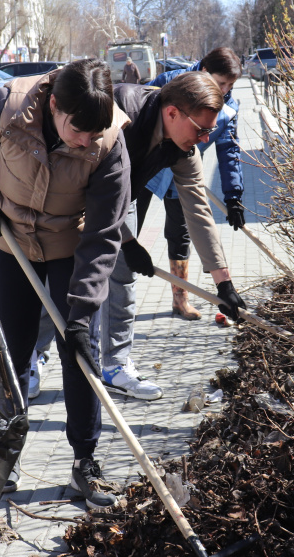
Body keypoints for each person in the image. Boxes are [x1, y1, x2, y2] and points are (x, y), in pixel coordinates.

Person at [0, 58, 131, 509]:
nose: (86, 141)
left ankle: (85, 460)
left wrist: (80, 314)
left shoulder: (110, 143)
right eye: (77, 129)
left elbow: (102, 237)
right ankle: (6, 455)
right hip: (11, 240)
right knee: (15, 349)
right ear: (55, 105)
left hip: (69, 243)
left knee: (80, 352)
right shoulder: (9, 107)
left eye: (93, 135)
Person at [99, 72, 247, 397]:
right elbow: (97, 191)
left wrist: (224, 283)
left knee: (122, 279)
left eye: (210, 130)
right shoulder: (119, 118)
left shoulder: (184, 148)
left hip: (125, 195)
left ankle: (115, 366)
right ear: (171, 113)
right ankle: (33, 359)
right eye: (201, 129)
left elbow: (198, 209)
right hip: (73, 189)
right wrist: (127, 240)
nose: (206, 139)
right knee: (61, 277)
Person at [143, 47, 244, 319]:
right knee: (128, 227)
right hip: (145, 167)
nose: (224, 90)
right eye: (220, 83)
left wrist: (233, 195)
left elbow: (229, 151)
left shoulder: (230, 107)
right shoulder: (172, 82)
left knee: (181, 234)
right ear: (203, 72)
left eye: (230, 85)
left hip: (184, 165)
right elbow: (140, 111)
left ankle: (181, 298)